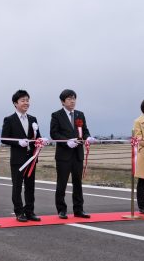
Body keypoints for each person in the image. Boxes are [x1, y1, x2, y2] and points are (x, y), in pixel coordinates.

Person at [50, 89, 96, 219]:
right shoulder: (56, 115)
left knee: (78, 183)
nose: (72, 101)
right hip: (63, 155)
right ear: (62, 101)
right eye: (69, 99)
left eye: (74, 98)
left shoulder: (80, 114)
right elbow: (54, 133)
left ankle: (79, 209)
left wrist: (88, 138)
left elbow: (85, 131)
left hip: (77, 154)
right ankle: (61, 210)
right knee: (62, 183)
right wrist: (66, 141)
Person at [1, 90, 45, 222]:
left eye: (27, 100)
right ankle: (19, 212)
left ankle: (30, 211)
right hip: (17, 159)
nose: (26, 103)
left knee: (30, 186)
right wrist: (17, 142)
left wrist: (41, 140)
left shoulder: (33, 119)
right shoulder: (9, 119)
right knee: (17, 186)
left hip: (31, 158)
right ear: (15, 103)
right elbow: (4, 138)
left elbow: (37, 136)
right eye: (23, 100)